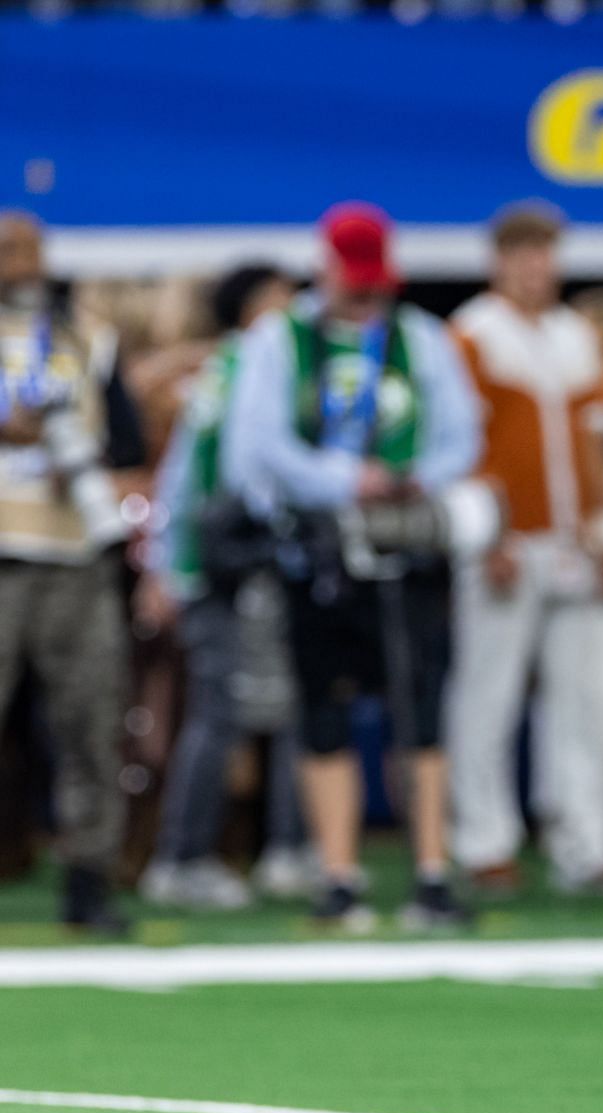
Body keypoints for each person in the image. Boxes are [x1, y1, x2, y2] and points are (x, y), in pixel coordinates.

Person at [225, 202, 481, 929]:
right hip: (321, 550)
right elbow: (257, 448)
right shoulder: (280, 341)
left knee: (421, 708)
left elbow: (460, 434)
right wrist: (344, 480)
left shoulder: (422, 340)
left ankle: (431, 872)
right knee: (324, 708)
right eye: (355, 280)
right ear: (325, 270)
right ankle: (338, 874)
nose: (368, 295)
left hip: (408, 545)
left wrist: (410, 477)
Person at [446, 203, 603, 896]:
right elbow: (457, 444)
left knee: (586, 697)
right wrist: (486, 530)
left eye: (545, 252)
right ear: (499, 260)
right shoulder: (472, 333)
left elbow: (599, 446)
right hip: (507, 537)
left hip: (575, 539)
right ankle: (482, 842)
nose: (536, 266)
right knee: (486, 694)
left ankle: (584, 842)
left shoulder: (575, 336)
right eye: (523, 253)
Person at [140, 263, 309, 910]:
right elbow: (189, 471)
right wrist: (168, 564)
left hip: (267, 562)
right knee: (221, 712)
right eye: (278, 301)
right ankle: (182, 857)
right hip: (227, 565)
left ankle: (289, 849)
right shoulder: (239, 368)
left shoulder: (270, 366)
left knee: (297, 703)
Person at [0, 209, 135, 933]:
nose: (21, 264)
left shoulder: (85, 337)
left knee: (90, 724)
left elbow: (131, 446)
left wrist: (94, 475)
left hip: (73, 557)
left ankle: (89, 878)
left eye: (30, 251)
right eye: (6, 252)